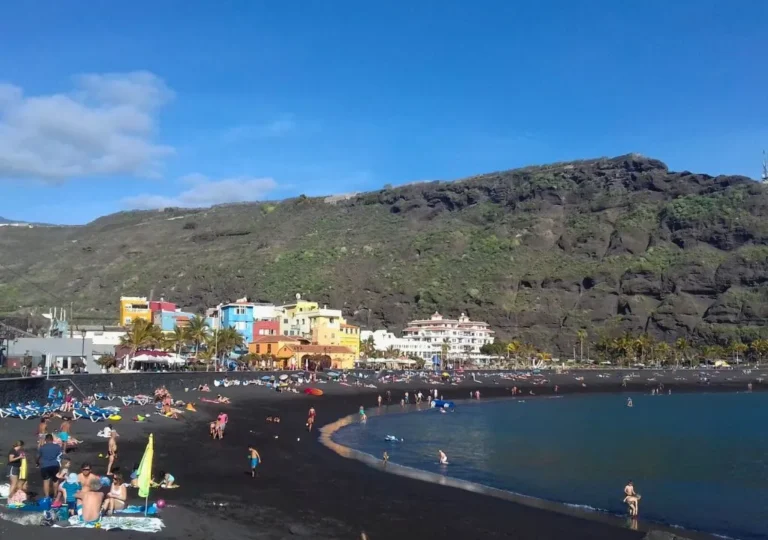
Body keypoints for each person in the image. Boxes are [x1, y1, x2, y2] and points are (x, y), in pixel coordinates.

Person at [37, 434, 62, 498]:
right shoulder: (57, 446)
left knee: (46, 481)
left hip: (45, 465)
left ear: (46, 440)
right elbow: (60, 456)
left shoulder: (42, 447)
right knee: (55, 480)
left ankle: (47, 497)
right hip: (55, 465)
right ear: (52, 439)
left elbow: (38, 456)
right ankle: (55, 495)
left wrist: (37, 462)